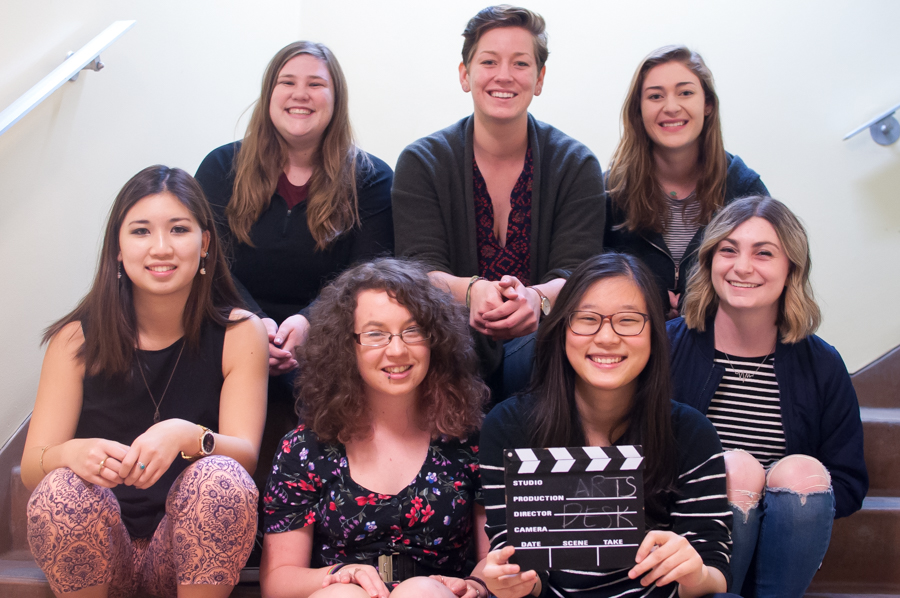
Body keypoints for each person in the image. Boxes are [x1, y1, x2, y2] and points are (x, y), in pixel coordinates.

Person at [21, 166, 269, 598]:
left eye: (178, 229)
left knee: (223, 478)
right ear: (117, 248)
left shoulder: (240, 332)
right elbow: (31, 465)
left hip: (185, 550)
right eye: (140, 231)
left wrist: (187, 434)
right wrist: (70, 452)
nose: (161, 248)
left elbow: (246, 456)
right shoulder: (75, 339)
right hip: (101, 545)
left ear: (204, 242)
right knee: (60, 486)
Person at [480, 253, 731, 598]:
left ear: (655, 333)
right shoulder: (508, 427)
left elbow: (716, 573)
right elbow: (519, 564)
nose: (608, 337)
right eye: (587, 319)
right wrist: (512, 582)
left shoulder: (691, 433)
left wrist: (696, 572)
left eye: (628, 320)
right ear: (562, 329)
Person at [392, 6, 605, 399]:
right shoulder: (422, 162)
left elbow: (578, 274)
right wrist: (471, 292)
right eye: (489, 61)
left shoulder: (576, 165)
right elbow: (418, 271)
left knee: (538, 353)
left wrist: (536, 299)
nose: (504, 75)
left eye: (520, 63)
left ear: (539, 79)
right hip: (445, 352)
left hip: (549, 355)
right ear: (465, 74)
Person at [668, 195, 868, 597]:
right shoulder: (667, 347)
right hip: (691, 546)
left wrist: (771, 510)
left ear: (791, 267)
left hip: (787, 545)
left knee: (800, 472)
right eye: (728, 250)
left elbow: (848, 480)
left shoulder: (823, 364)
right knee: (736, 468)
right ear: (709, 261)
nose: (743, 267)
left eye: (764, 253)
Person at [260, 258, 492, 598]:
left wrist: (477, 585)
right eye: (375, 334)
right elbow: (278, 582)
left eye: (413, 331)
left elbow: (496, 560)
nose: (397, 350)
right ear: (345, 346)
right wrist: (343, 574)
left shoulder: (470, 438)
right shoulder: (304, 449)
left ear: (436, 340)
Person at [195, 41, 393, 408]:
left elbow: (366, 273)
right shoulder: (221, 167)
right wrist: (253, 323)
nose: (300, 94)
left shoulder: (371, 178)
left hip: (331, 337)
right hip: (229, 326)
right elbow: (207, 261)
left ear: (336, 99)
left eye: (316, 84)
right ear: (269, 94)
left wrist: (308, 323)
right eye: (287, 82)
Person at [604, 45, 768, 318]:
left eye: (685, 93)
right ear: (639, 110)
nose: (671, 107)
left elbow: (771, 277)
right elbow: (589, 283)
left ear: (707, 105)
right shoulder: (612, 191)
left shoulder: (745, 189)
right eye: (655, 96)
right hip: (632, 343)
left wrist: (705, 309)